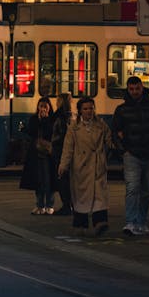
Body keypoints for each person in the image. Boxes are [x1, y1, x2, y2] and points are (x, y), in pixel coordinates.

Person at [112, 76, 149, 236]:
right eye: (131, 89)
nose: (134, 92)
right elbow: (115, 133)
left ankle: (141, 222)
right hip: (133, 154)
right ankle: (132, 222)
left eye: (137, 89)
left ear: (142, 88)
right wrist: (123, 151)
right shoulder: (123, 110)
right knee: (133, 188)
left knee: (146, 190)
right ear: (128, 89)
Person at [58, 96, 113, 236]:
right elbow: (68, 148)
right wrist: (63, 165)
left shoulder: (101, 125)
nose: (89, 111)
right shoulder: (73, 128)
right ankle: (80, 224)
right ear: (80, 111)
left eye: (91, 108)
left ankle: (100, 222)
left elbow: (109, 141)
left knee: (99, 196)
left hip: (97, 166)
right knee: (81, 197)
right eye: (85, 109)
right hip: (81, 167)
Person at [20, 97, 57, 214]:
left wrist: (45, 120)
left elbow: (50, 133)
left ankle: (49, 205)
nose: (43, 109)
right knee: (38, 180)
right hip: (35, 153)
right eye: (41, 106)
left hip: (48, 153)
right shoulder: (34, 119)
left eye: (45, 106)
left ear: (49, 108)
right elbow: (32, 132)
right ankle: (39, 205)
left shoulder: (52, 119)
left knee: (49, 179)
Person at [51, 92, 74, 215]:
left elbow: (62, 135)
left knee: (62, 178)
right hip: (63, 149)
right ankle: (69, 204)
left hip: (59, 150)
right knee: (66, 178)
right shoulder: (70, 115)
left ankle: (66, 205)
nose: (56, 102)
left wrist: (54, 142)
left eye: (58, 100)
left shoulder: (60, 116)